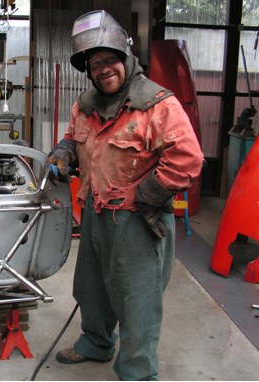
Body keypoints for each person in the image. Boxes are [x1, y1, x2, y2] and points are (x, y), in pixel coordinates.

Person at [46, 10, 204, 381]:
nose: (103, 69)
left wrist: (148, 194)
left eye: (109, 59)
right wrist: (63, 152)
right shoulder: (85, 106)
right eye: (95, 63)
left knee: (138, 302)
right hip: (95, 212)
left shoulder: (157, 104)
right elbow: (73, 137)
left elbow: (188, 159)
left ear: (126, 57)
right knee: (91, 287)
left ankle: (137, 372)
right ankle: (96, 343)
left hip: (137, 221)